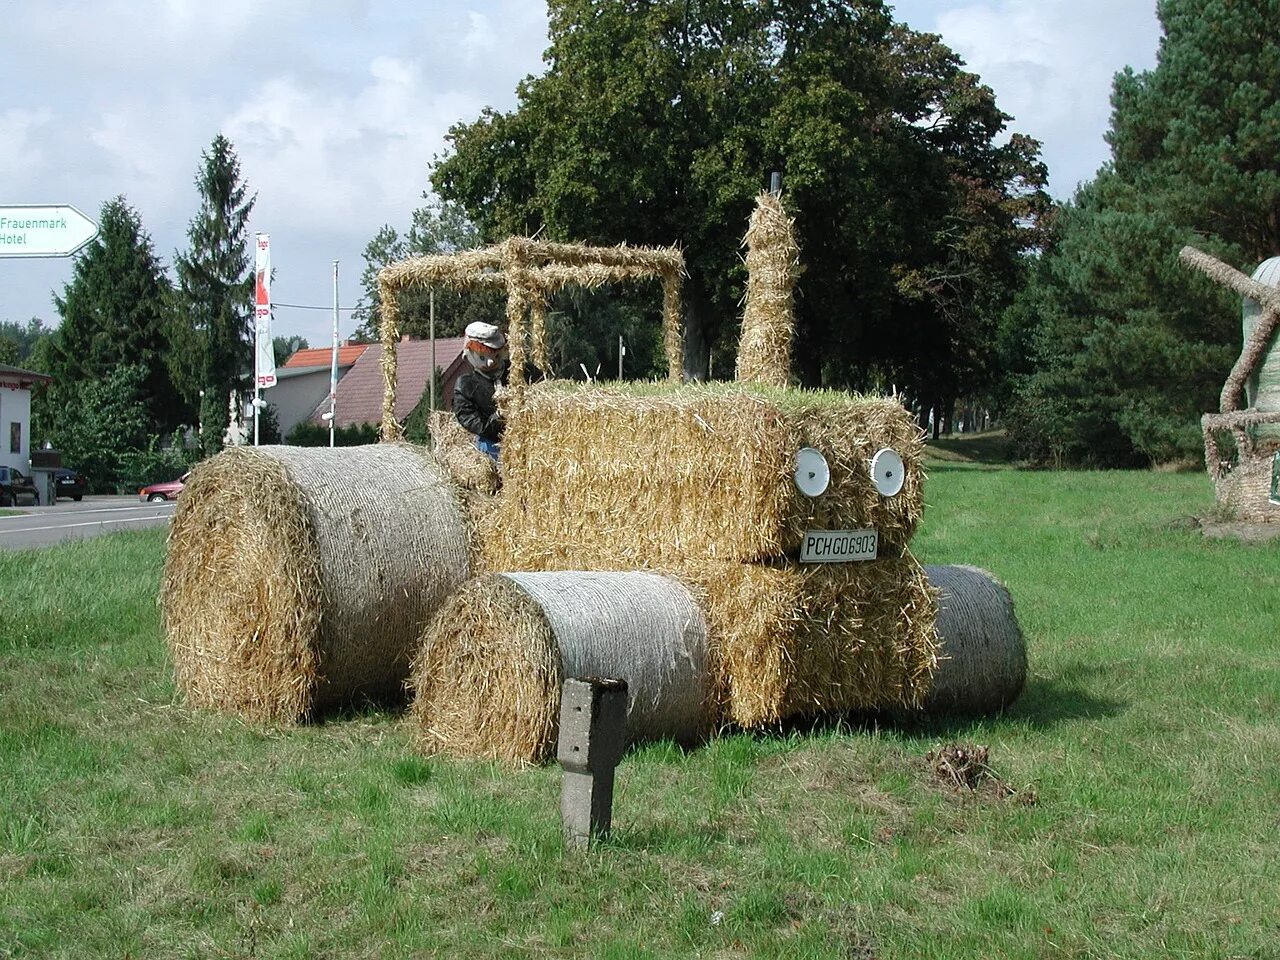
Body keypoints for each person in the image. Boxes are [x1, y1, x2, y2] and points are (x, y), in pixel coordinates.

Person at [453, 321, 509, 459]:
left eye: (496, 356)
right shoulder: (466, 385)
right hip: (492, 444)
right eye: (483, 357)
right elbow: (472, 421)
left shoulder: (517, 371)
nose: (491, 362)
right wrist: (498, 417)